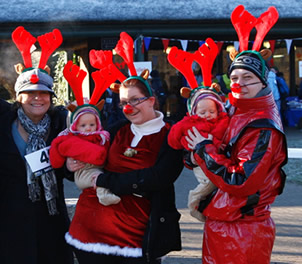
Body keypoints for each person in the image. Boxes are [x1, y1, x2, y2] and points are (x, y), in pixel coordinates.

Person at [185, 6, 287, 264]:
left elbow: (241, 181)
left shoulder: (262, 127)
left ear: (264, 82)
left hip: (243, 228)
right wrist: (193, 152)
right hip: (224, 220)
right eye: (234, 77)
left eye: (248, 77)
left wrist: (203, 150)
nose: (239, 83)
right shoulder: (235, 111)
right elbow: (219, 151)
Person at [65, 68, 184, 263]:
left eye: (135, 100)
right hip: (89, 228)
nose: (129, 108)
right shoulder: (117, 129)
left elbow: (159, 177)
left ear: (151, 100)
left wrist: (105, 180)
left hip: (135, 235)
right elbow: (87, 154)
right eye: (124, 103)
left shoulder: (170, 134)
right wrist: (70, 165)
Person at [0, 27, 74, 264]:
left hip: (50, 218)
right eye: (30, 92)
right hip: (9, 219)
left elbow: (69, 172)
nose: (37, 98)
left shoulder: (61, 123)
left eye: (44, 93)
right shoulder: (3, 121)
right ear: (18, 96)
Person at [167, 87, 229, 221]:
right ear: (194, 112)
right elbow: (174, 137)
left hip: (214, 159)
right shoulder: (189, 123)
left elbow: (221, 138)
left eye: (212, 111)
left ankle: (199, 205)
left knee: (213, 185)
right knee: (208, 183)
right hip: (199, 164)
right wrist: (185, 145)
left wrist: (216, 144)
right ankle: (194, 201)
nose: (207, 114)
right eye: (203, 112)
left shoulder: (222, 122)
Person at [49, 104, 121, 206]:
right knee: (99, 179)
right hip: (83, 173)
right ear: (75, 126)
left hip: (98, 169)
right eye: (83, 125)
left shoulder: (102, 137)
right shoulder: (70, 139)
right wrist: (62, 163)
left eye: (92, 125)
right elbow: (57, 151)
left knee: (103, 177)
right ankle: (104, 195)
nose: (88, 128)